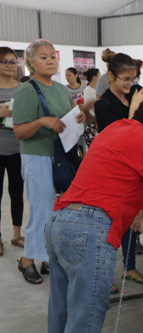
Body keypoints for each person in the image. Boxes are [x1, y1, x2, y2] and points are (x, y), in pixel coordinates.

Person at [45, 93, 143, 333]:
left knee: (61, 309)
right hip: (88, 230)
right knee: (85, 317)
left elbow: (133, 177)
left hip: (59, 221)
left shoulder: (115, 128)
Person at [13, 39, 86, 284]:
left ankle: (47, 258)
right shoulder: (27, 90)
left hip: (59, 155)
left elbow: (65, 118)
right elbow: (20, 131)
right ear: (31, 62)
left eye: (53, 56)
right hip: (37, 156)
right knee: (42, 209)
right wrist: (43, 122)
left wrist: (79, 117)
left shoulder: (62, 89)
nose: (49, 61)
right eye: (42, 57)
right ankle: (27, 261)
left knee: (58, 211)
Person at [94, 53, 143, 286]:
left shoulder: (135, 93)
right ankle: (101, 276)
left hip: (135, 167)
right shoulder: (104, 104)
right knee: (108, 226)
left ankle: (129, 268)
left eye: (133, 78)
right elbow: (119, 138)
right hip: (112, 170)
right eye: (124, 79)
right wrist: (135, 108)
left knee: (130, 220)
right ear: (110, 76)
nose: (129, 84)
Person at [0, 46, 24, 256]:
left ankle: (17, 235)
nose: (9, 65)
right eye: (4, 61)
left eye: (12, 61)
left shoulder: (22, 89)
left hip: (18, 148)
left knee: (17, 193)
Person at [82, 68, 100, 147]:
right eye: (99, 75)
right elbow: (91, 109)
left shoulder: (98, 90)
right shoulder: (88, 91)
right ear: (95, 77)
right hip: (93, 124)